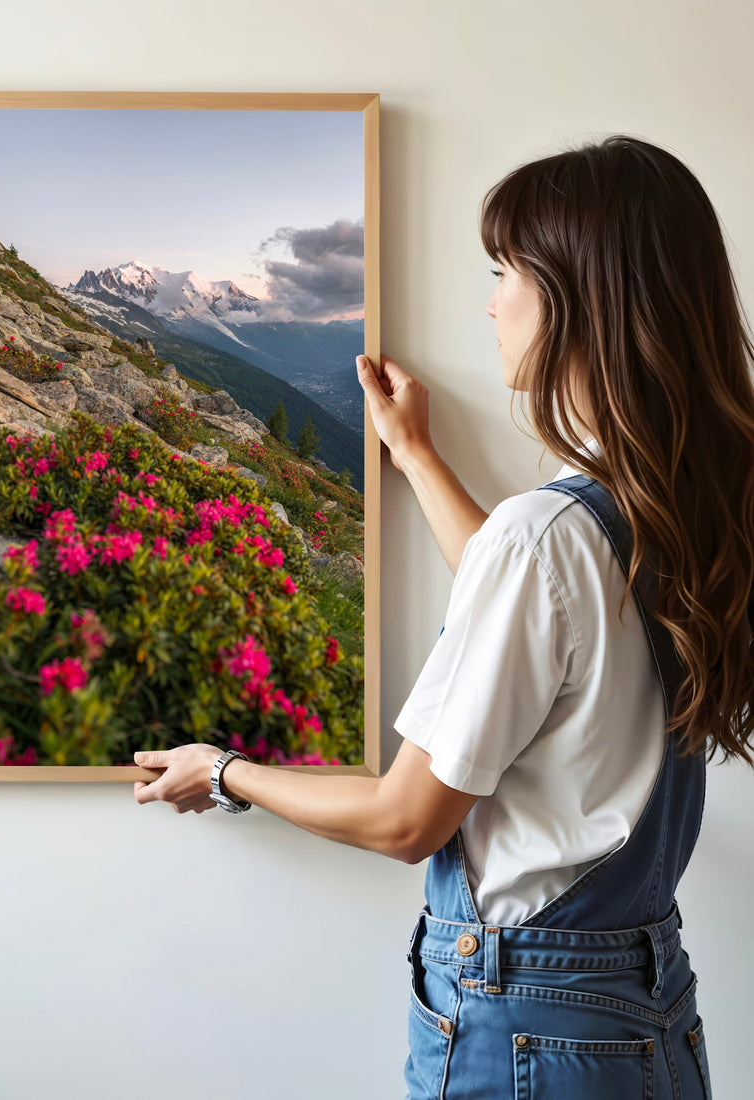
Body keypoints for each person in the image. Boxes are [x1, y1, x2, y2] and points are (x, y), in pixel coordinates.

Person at [131, 134, 754, 1098]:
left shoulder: (549, 536)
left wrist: (221, 771)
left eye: (506, 272)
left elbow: (404, 820)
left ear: (578, 300)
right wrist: (417, 456)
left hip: (527, 1027)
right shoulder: (679, 509)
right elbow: (541, 620)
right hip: (644, 1014)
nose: (492, 302)